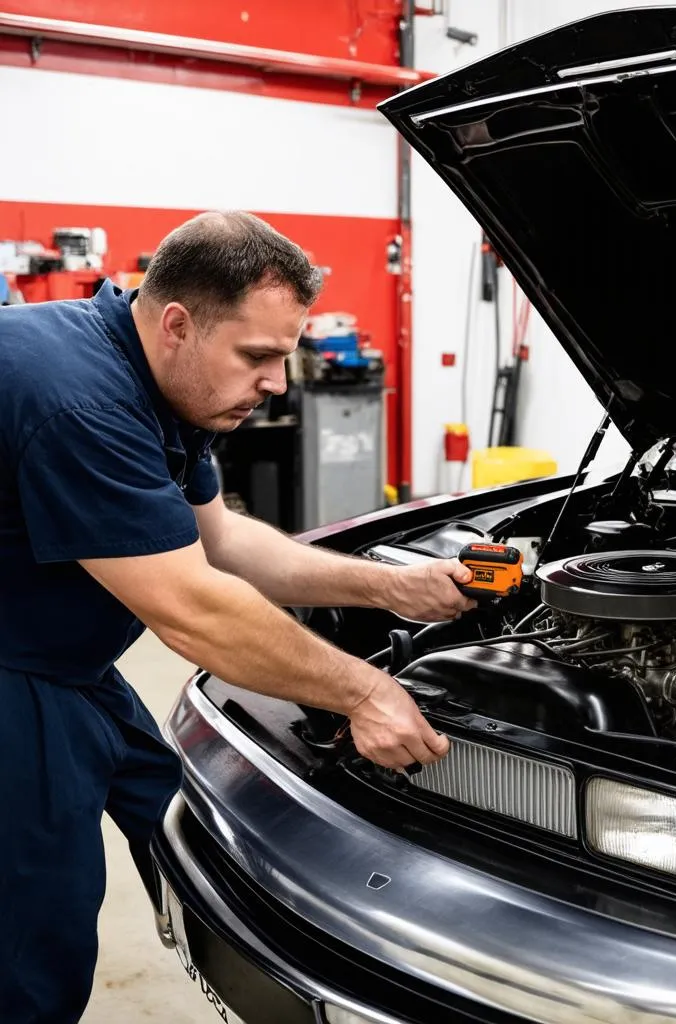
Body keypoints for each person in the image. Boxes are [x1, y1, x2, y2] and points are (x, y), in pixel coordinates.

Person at [0, 210, 475, 1023]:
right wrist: (363, 693)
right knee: (35, 941)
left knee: (184, 821)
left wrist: (391, 588)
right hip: (17, 676)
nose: (276, 384)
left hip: (73, 664)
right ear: (179, 322)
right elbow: (193, 608)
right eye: (258, 357)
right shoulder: (78, 397)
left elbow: (222, 542)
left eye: (283, 358)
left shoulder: (164, 381)